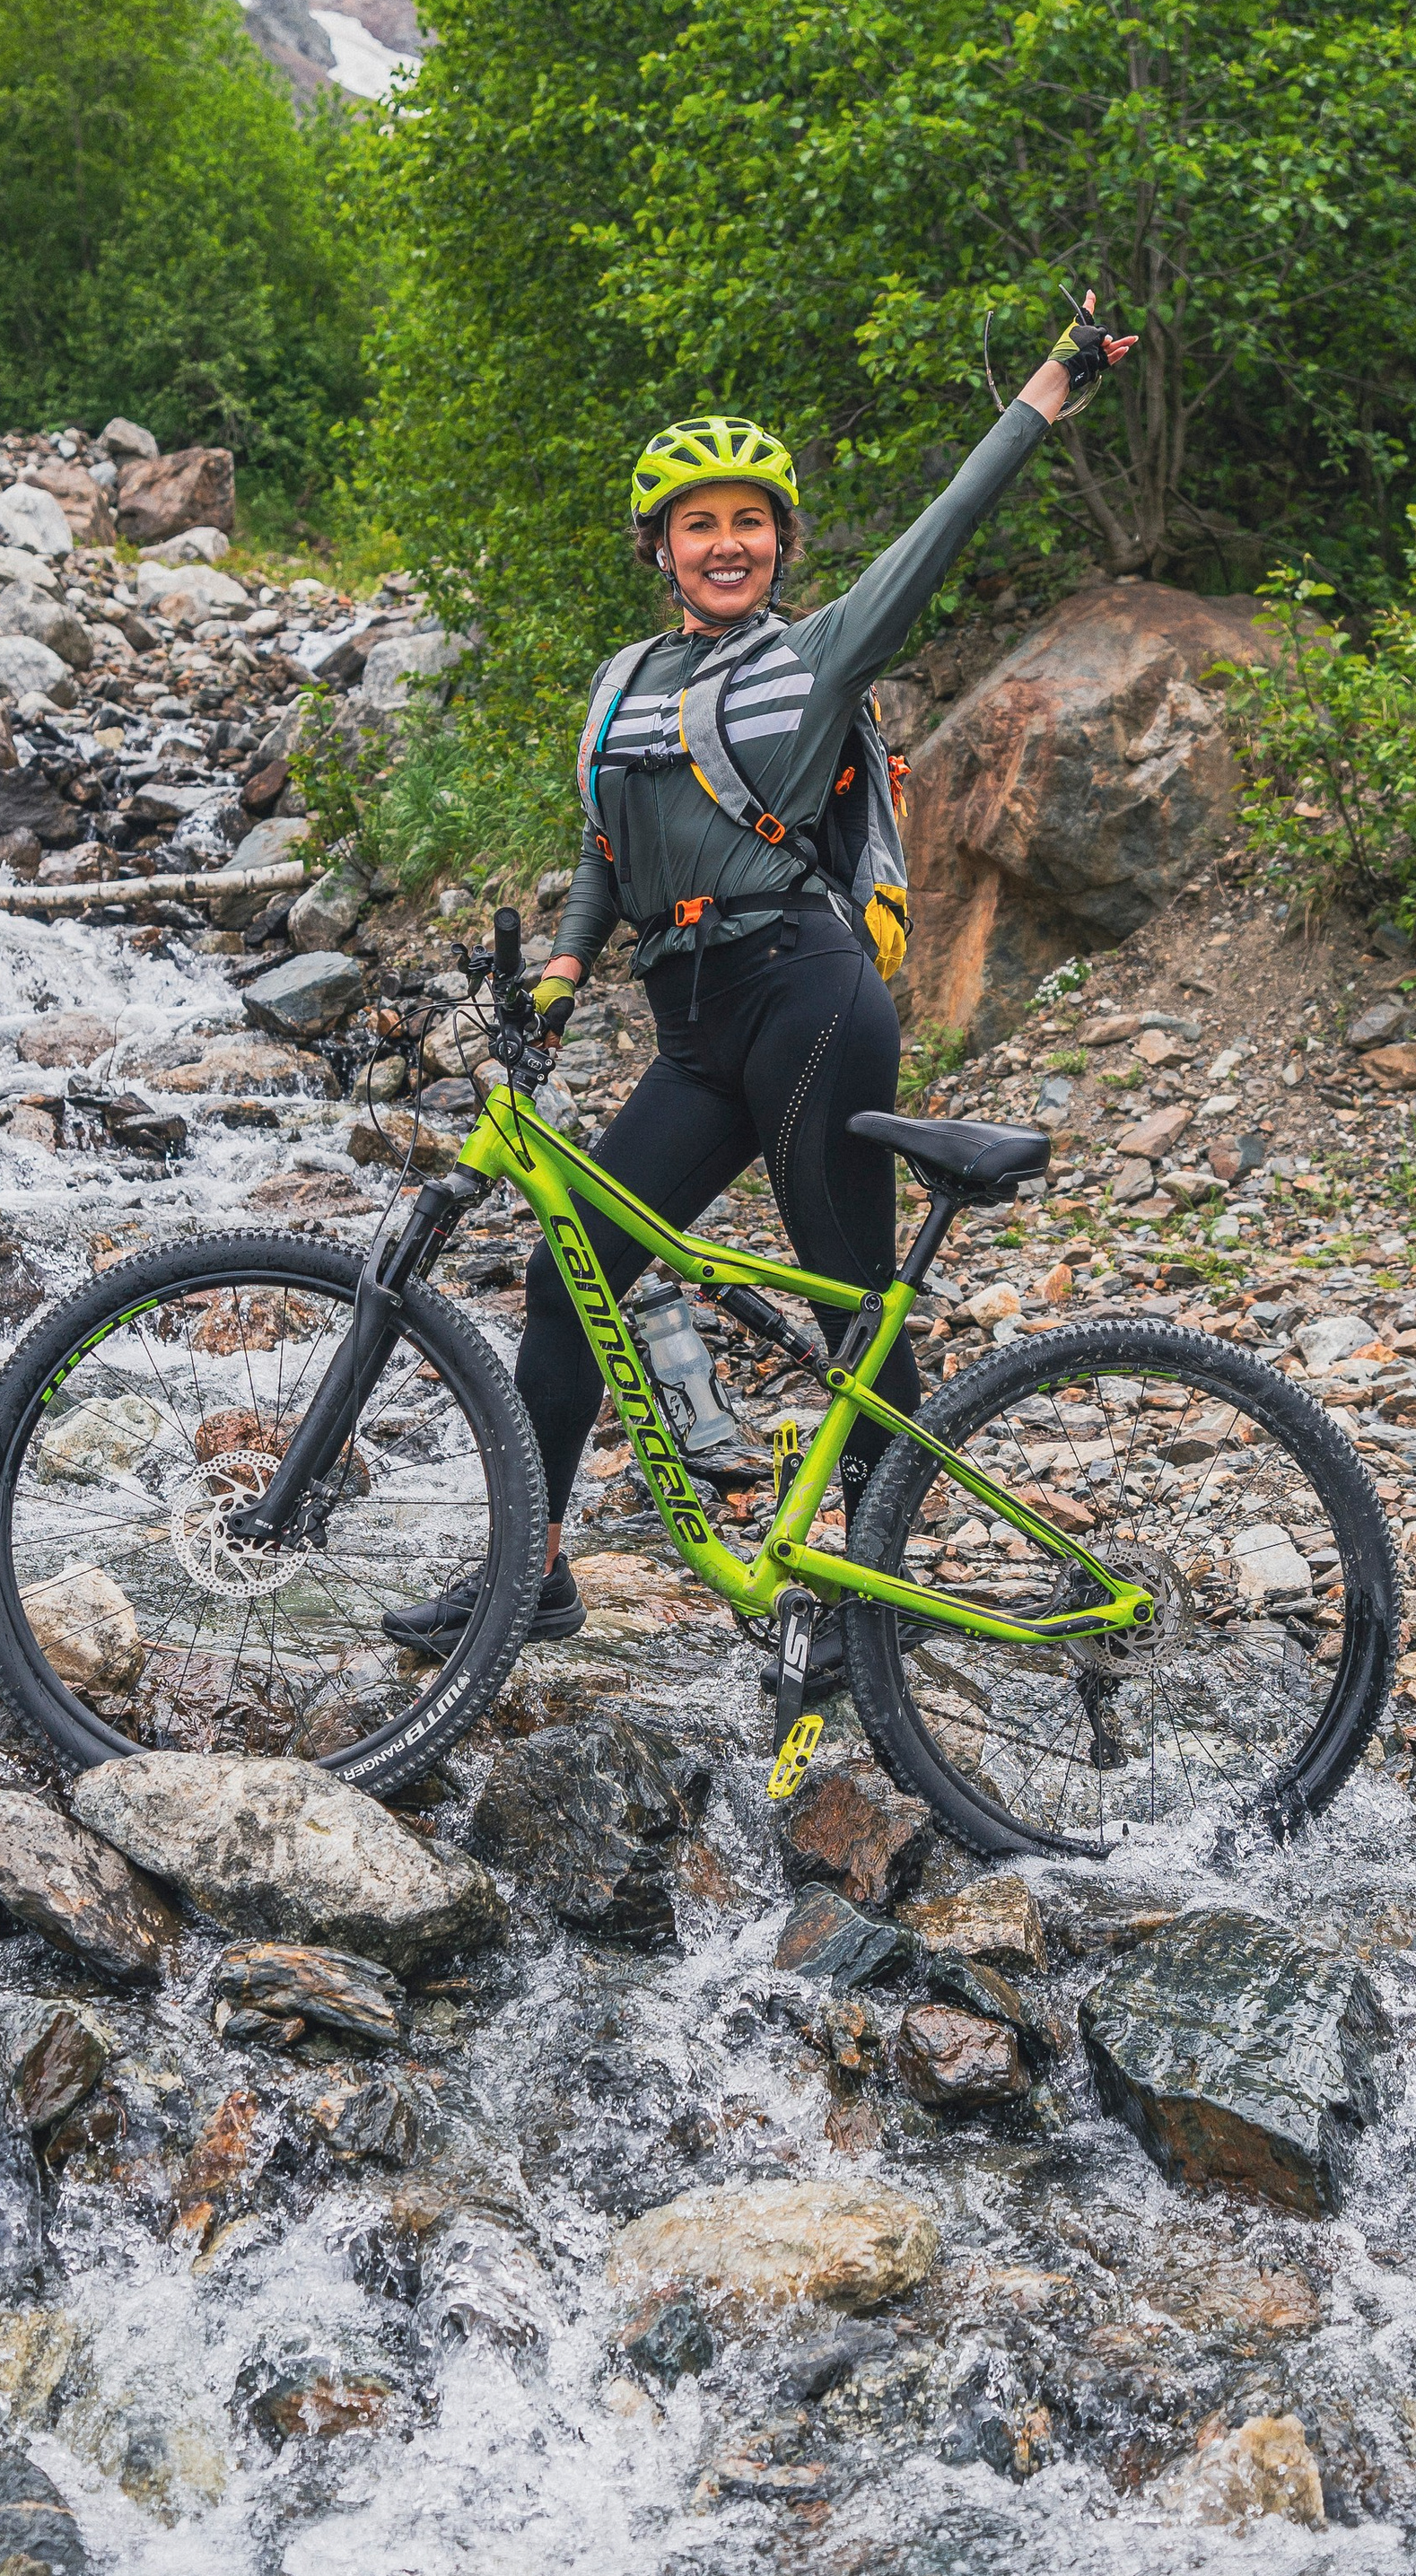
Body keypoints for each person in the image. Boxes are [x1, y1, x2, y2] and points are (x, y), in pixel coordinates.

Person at [385, 298, 1136, 1659]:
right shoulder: (621, 683)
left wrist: (1050, 384)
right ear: (660, 550)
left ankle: (871, 1594)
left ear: (782, 543)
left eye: (749, 522)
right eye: (697, 524)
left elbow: (948, 521)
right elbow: (607, 845)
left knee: (844, 1288)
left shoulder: (815, 652)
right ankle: (531, 1574)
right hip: (689, 1032)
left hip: (805, 997)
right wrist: (562, 967)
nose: (725, 544)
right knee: (574, 1278)